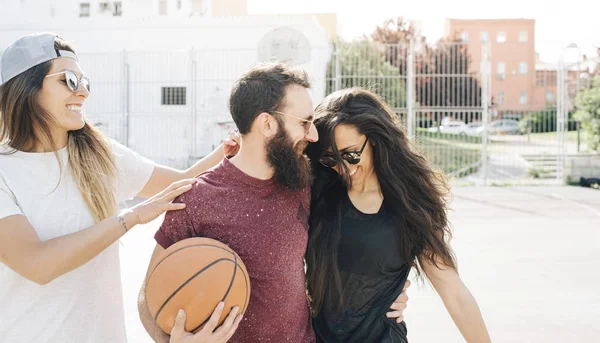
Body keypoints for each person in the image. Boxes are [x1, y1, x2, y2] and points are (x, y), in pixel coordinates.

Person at [138, 64, 410, 343]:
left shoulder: (304, 182)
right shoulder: (197, 199)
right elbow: (149, 299)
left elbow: (359, 233)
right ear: (267, 124)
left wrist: (386, 291)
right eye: (303, 122)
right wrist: (172, 341)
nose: (313, 135)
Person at [0, 33, 239, 343]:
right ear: (26, 90)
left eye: (86, 82)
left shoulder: (99, 153)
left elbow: (182, 183)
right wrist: (129, 218)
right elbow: (37, 264)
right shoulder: (5, 171)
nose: (83, 92)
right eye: (70, 80)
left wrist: (229, 149)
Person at [304, 87, 491, 342]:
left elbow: (453, 291)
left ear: (377, 140)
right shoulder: (316, 190)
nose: (344, 167)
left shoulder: (410, 205)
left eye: (351, 154)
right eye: (331, 158)